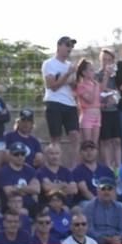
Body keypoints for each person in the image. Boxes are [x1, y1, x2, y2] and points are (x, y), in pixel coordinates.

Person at [41, 36, 81, 166]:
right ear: (59, 46)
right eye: (67, 45)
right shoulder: (49, 63)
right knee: (55, 138)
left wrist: (71, 80)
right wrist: (67, 75)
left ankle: (73, 167)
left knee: (75, 136)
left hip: (70, 104)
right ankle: (55, 167)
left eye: (71, 46)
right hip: (54, 103)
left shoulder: (70, 66)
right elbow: (52, 86)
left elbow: (74, 86)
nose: (70, 48)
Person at [96, 49, 121, 169]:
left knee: (116, 140)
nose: (107, 62)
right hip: (103, 112)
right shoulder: (97, 75)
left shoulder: (116, 75)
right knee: (105, 141)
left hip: (115, 111)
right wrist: (106, 75)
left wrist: (115, 95)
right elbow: (100, 89)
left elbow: (120, 91)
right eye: (104, 59)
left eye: (109, 60)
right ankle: (107, 167)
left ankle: (118, 168)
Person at [84, 179, 122, 244]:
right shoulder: (90, 207)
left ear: (114, 191)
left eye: (109, 189)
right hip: (99, 240)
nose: (106, 192)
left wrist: (118, 238)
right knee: (97, 243)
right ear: (98, 190)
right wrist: (108, 239)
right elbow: (89, 231)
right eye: (103, 189)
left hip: (117, 240)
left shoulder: (118, 207)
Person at [0, 142, 40, 213]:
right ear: (10, 155)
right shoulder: (4, 171)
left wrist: (18, 188)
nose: (20, 157)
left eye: (22, 154)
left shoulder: (30, 169)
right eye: (16, 154)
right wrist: (28, 189)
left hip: (30, 204)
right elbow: (9, 192)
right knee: (23, 212)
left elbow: (36, 189)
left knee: (46, 211)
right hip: (11, 206)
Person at [72, 140, 117, 205]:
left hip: (107, 202)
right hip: (87, 202)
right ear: (81, 152)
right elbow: (85, 191)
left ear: (97, 151)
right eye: (85, 150)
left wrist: (113, 205)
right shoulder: (77, 171)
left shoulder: (106, 170)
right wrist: (99, 205)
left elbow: (113, 190)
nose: (89, 152)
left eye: (92, 149)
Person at [75, 59, 101, 147]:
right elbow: (90, 99)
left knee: (95, 144)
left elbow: (98, 101)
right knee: (87, 144)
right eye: (91, 70)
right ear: (84, 72)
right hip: (87, 116)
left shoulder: (95, 85)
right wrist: (95, 87)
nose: (93, 72)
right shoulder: (81, 86)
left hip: (97, 116)